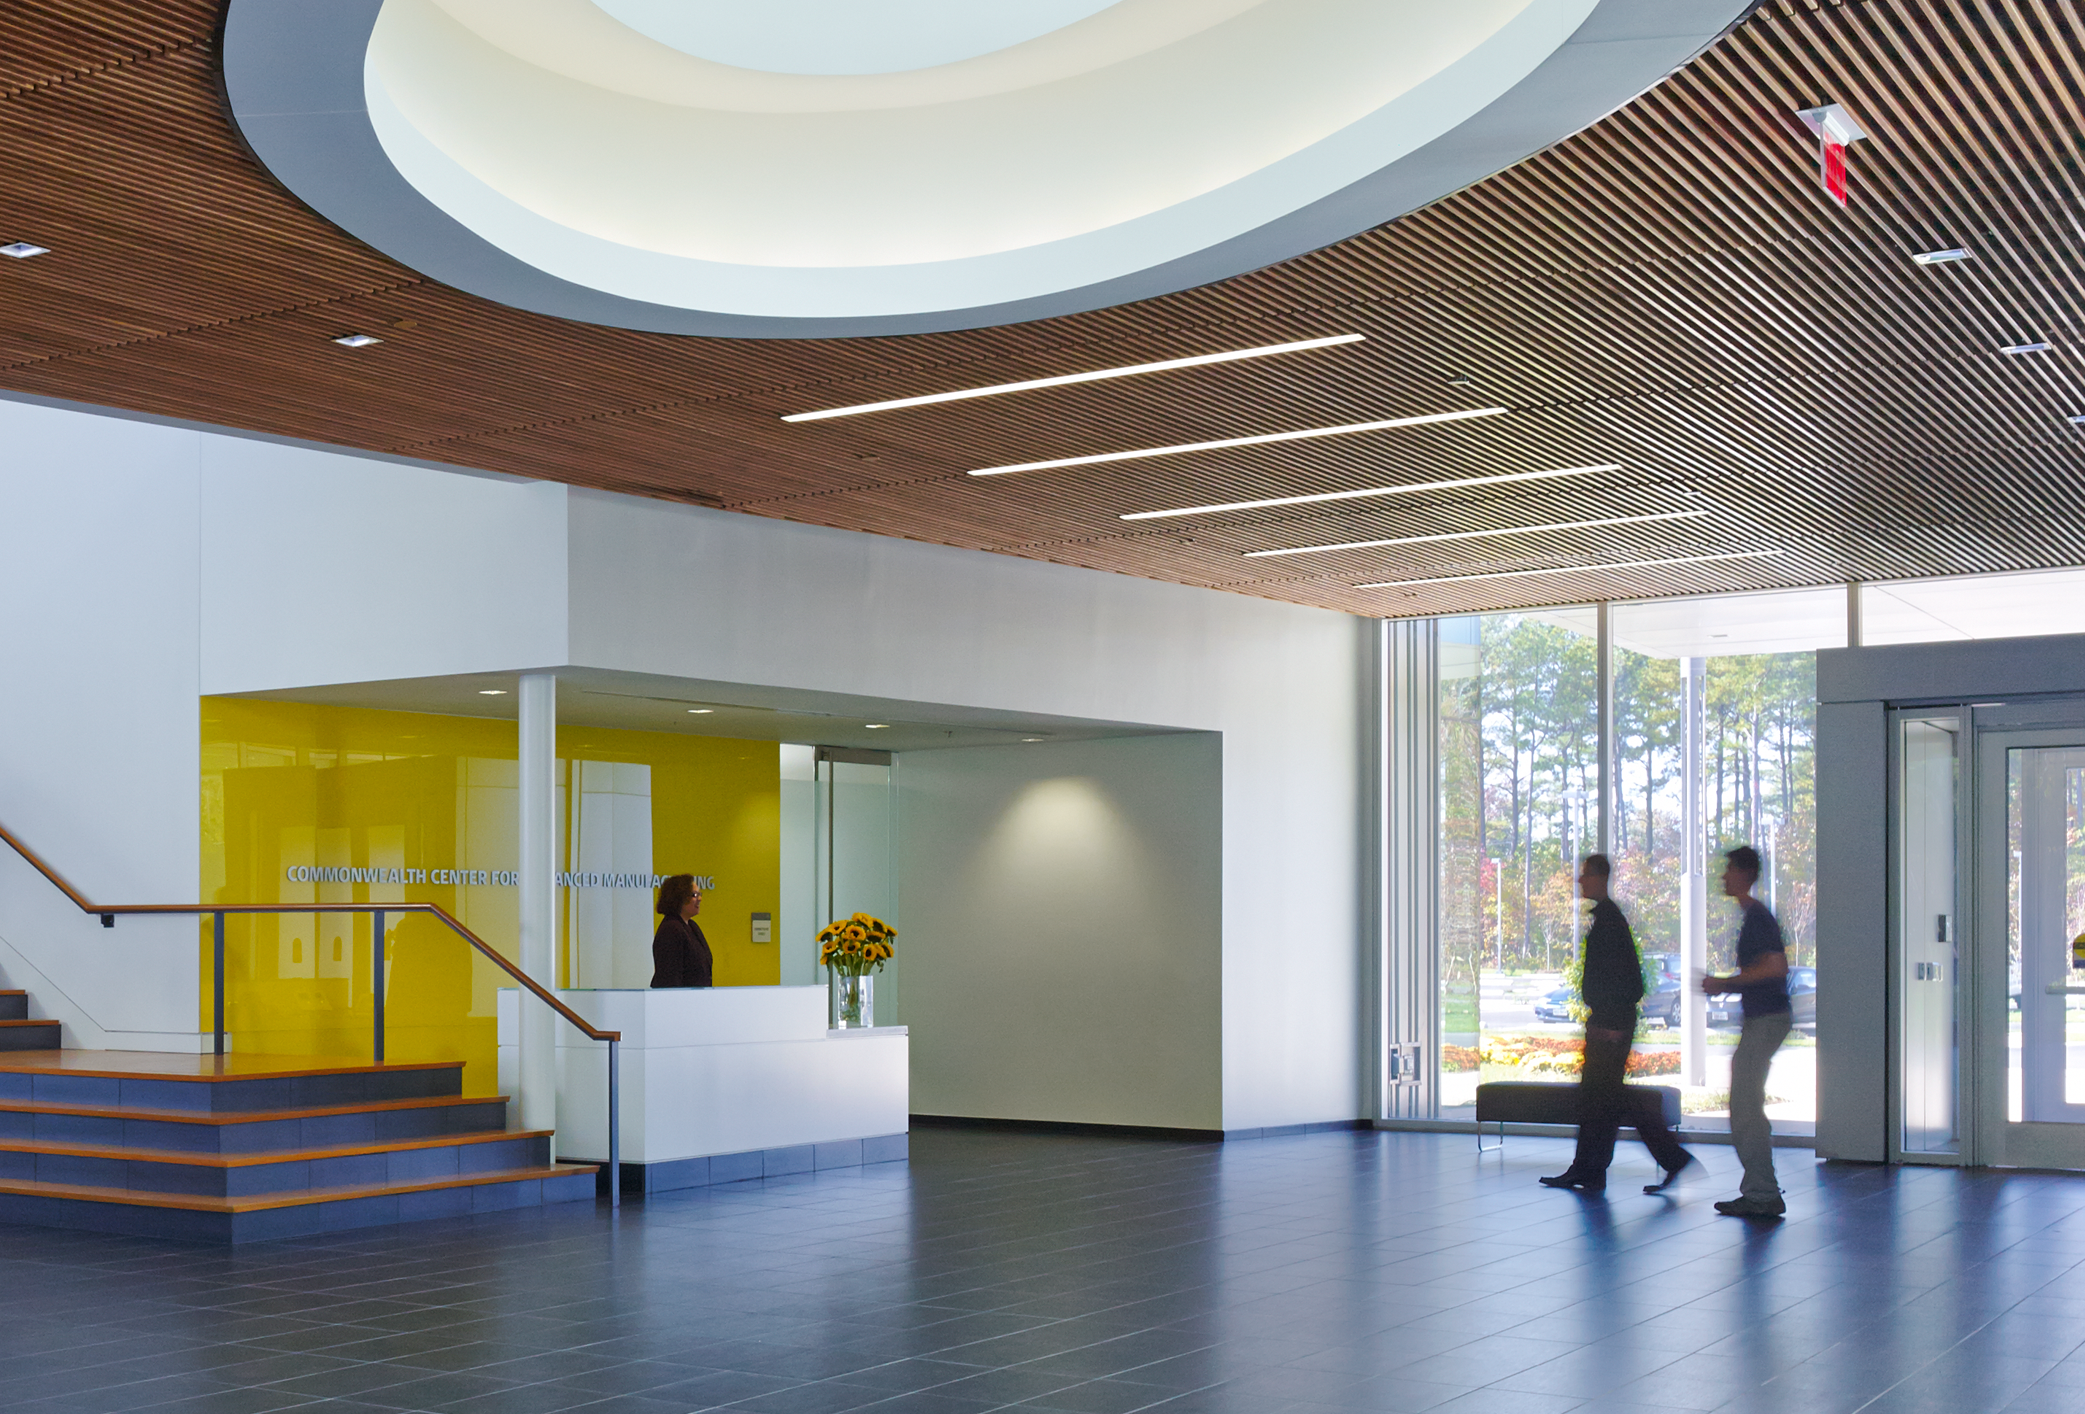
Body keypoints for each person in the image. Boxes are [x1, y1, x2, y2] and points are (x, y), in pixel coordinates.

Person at [1541, 854, 1694, 1194]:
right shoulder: (1608, 921)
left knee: (1605, 1098)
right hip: (1608, 1024)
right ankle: (1592, 1169)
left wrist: (1611, 1026)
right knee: (1601, 1100)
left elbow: (1629, 983)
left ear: (1599, 878)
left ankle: (1663, 1159)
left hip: (1609, 1027)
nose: (1580, 881)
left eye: (1585, 875)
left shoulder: (1610, 924)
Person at [1701, 845, 1789, 1217]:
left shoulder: (1758, 918)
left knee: (1745, 1107)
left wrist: (1726, 983)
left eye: (1728, 869)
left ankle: (1763, 1193)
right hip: (1765, 1019)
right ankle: (1761, 1189)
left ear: (1745, 873)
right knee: (1746, 1104)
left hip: (1767, 1019)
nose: (1723, 876)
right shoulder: (1754, 916)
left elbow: (1775, 967)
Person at [650, 874, 713, 988]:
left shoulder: (692, 927)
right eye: (694, 895)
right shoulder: (671, 930)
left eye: (699, 894)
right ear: (679, 898)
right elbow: (669, 977)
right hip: (680, 1001)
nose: (700, 899)